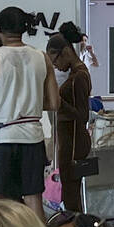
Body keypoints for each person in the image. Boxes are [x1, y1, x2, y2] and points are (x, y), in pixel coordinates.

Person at [0, 5, 58, 217]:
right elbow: (54, 103)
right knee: (33, 196)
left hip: (1, 138)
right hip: (32, 135)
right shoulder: (42, 57)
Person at [45, 28, 93, 215]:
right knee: (69, 190)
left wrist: (59, 102)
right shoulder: (76, 74)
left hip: (74, 141)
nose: (56, 66)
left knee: (72, 193)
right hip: (69, 139)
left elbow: (82, 115)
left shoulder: (78, 77)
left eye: (55, 61)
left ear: (65, 52)